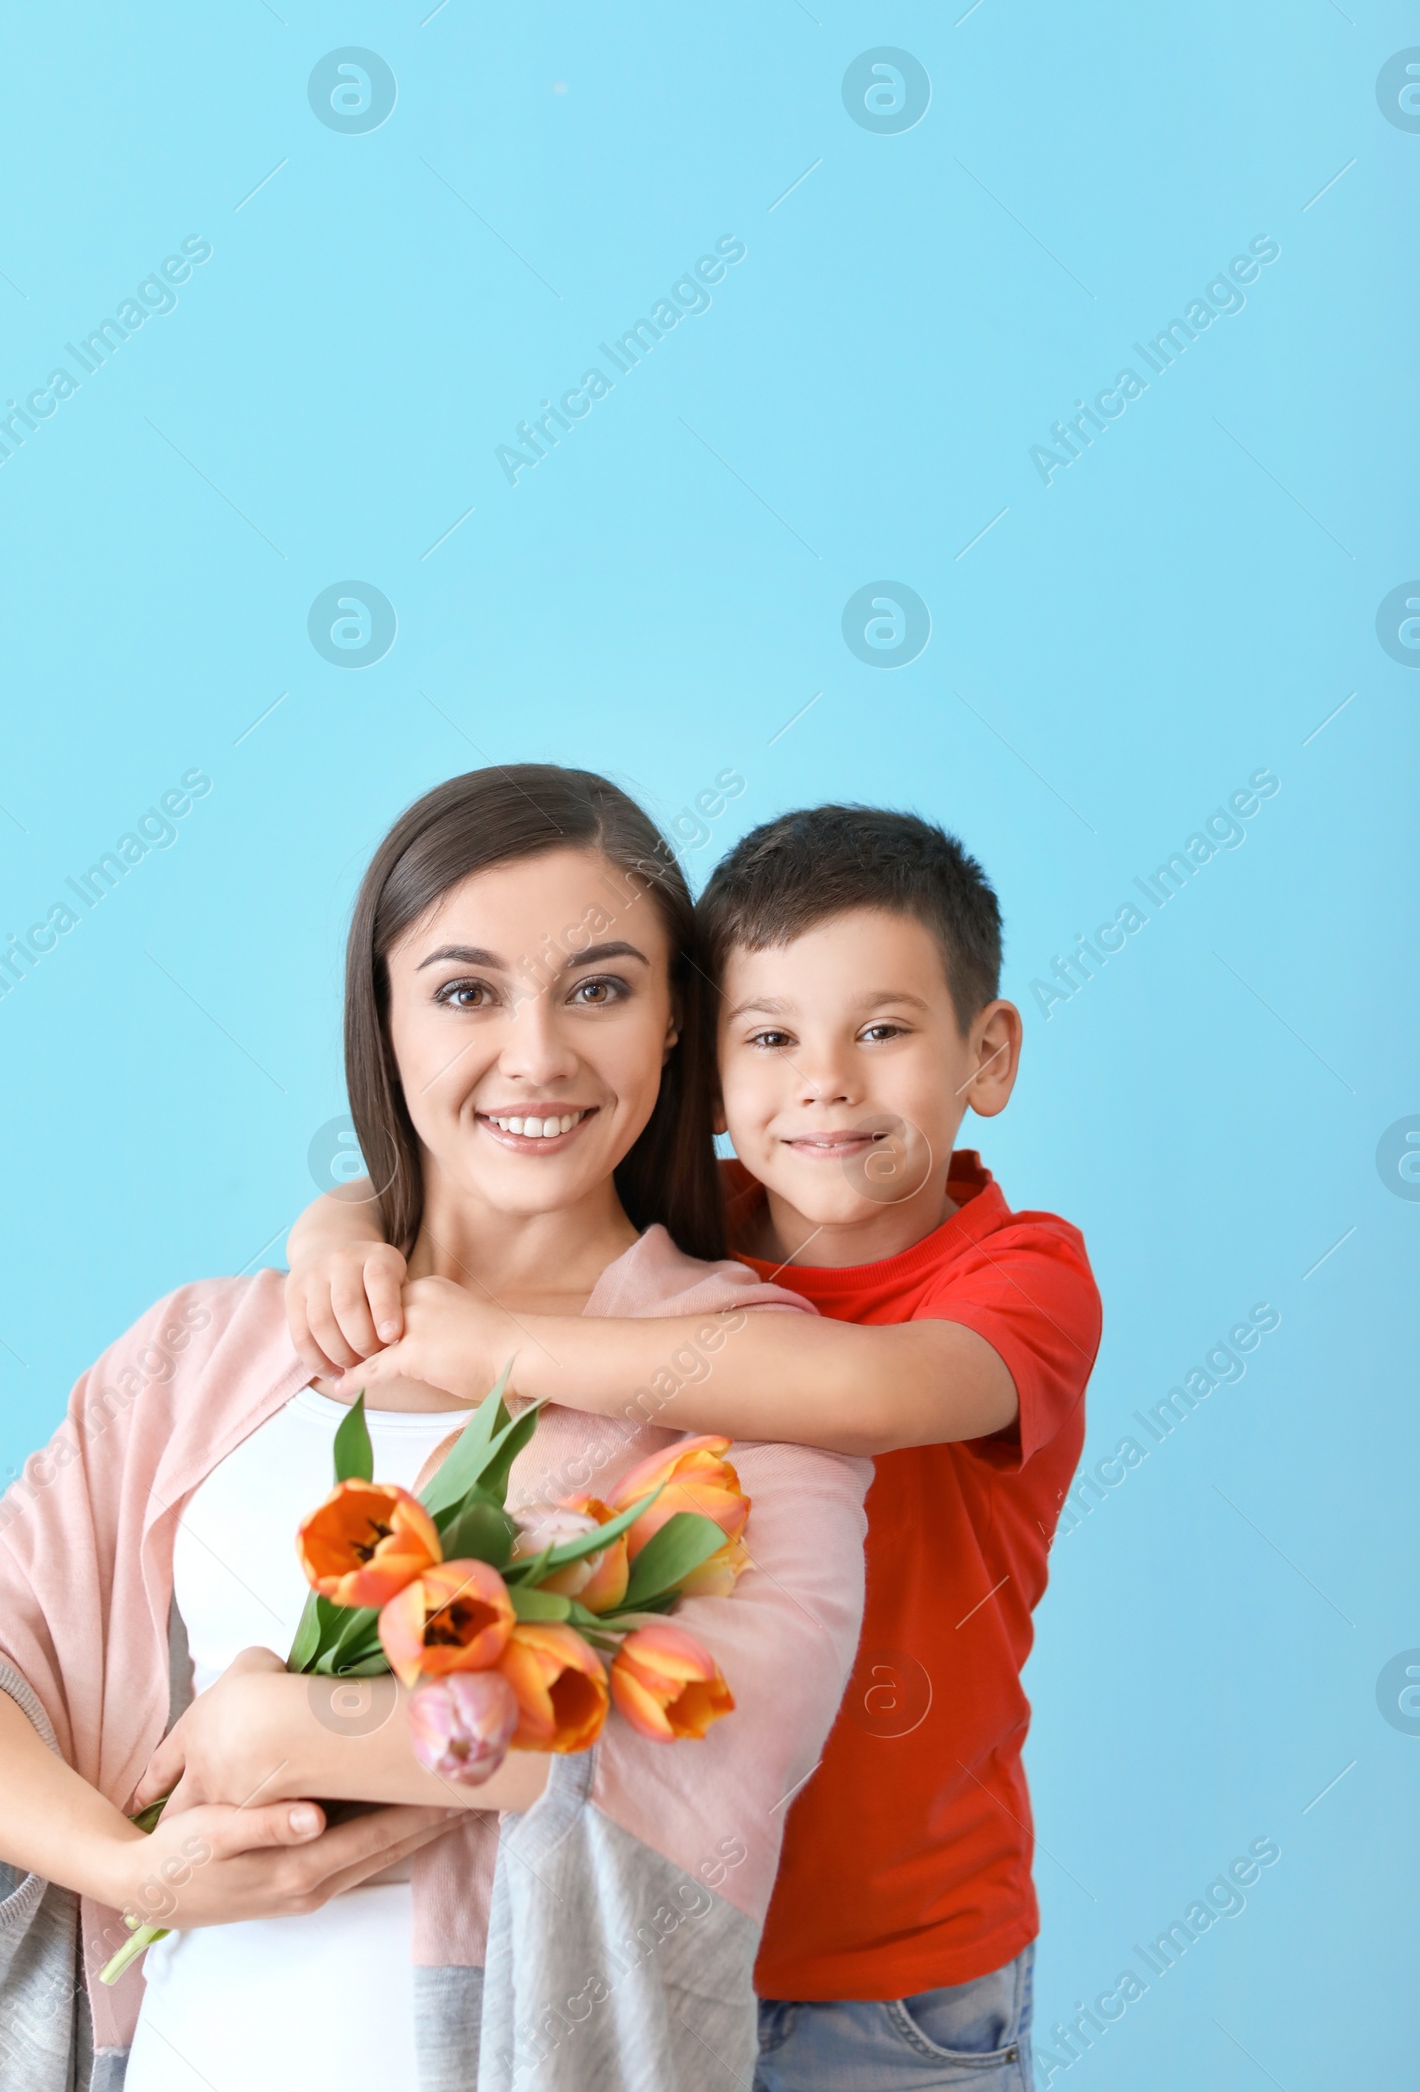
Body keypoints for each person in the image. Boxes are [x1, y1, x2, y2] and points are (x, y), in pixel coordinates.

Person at [0, 767, 868, 2092]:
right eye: (465, 992)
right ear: (382, 1018)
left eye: (601, 988)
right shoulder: (202, 1350)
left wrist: (279, 1733)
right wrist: (130, 1866)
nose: (537, 1055)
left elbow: (704, 1740)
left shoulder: (754, 1379)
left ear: (679, 1018)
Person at [284, 804, 1103, 2090]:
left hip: (891, 1979)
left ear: (984, 1054)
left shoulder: (1021, 1278)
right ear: (706, 1072)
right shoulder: (691, 1235)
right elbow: (448, 1189)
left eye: (882, 1032)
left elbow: (866, 1391)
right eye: (770, 1038)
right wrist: (334, 1233)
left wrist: (492, 1344)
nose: (825, 1082)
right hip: (638, 1929)